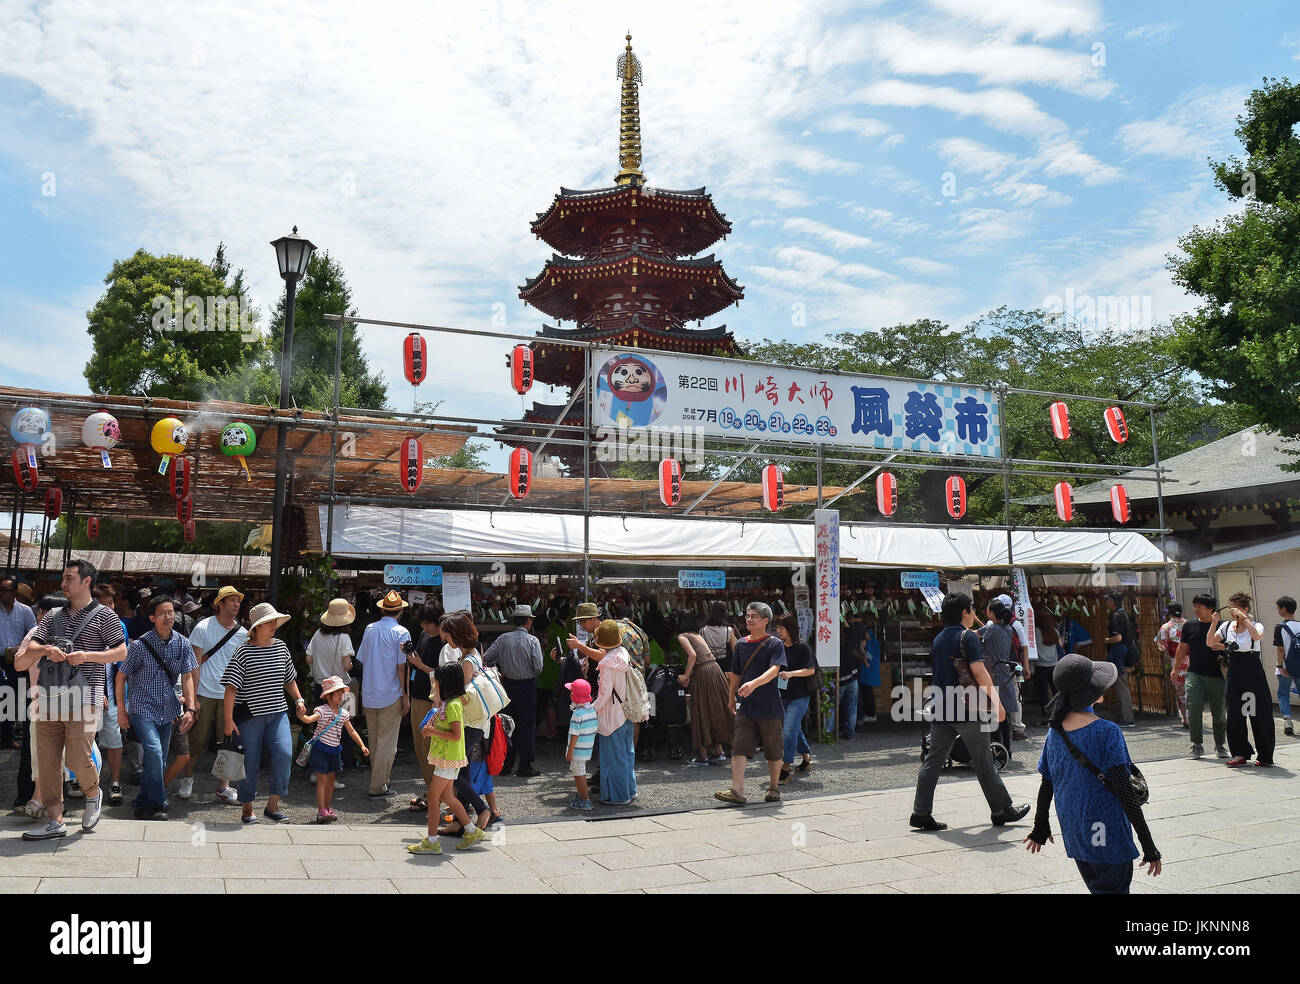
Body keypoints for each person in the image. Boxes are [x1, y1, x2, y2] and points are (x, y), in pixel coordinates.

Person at [1023, 654, 1161, 894]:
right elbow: (1124, 789)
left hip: (1076, 832)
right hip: (1108, 831)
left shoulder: (1054, 732)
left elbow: (1047, 783)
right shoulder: (1106, 731)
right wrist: (1148, 846)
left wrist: (1040, 826)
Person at [21, 559, 125, 841]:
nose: (63, 583)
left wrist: (87, 656)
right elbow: (31, 645)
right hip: (49, 695)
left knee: (79, 758)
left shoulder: (105, 616)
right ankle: (56, 820)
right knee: (49, 761)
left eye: (69, 578)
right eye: (63, 578)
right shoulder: (54, 614)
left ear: (86, 581)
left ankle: (93, 793)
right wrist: (44, 648)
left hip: (85, 695)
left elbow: (120, 652)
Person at [911, 592, 1028, 832]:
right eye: (972, 609)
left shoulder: (939, 638)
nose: (975, 613)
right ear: (965, 612)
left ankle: (920, 812)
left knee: (933, 761)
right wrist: (997, 703)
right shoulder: (967, 638)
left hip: (941, 707)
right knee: (984, 760)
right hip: (967, 709)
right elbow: (980, 673)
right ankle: (1002, 809)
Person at [115, 594, 198, 820]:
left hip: (169, 708)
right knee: (154, 751)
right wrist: (121, 710)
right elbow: (121, 676)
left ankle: (143, 800)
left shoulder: (182, 642)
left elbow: (187, 675)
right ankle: (156, 803)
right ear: (152, 617)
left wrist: (190, 707)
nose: (168, 617)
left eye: (171, 612)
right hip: (142, 708)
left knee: (158, 759)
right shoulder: (140, 645)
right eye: (162, 613)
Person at [221, 602, 305, 824]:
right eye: (269, 622)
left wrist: (298, 699)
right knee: (249, 762)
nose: (274, 625)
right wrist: (228, 720)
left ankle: (272, 805)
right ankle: (247, 808)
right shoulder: (243, 651)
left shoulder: (281, 647)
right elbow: (231, 688)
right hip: (249, 716)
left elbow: (289, 678)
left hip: (278, 713)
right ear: (256, 627)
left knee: (284, 754)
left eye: (274, 621)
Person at [408, 661, 489, 854]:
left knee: (434, 798)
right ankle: (470, 830)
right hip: (447, 758)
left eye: (438, 683)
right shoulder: (450, 703)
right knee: (445, 796)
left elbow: (456, 735)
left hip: (448, 758)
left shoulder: (452, 705)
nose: (436, 686)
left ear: (445, 684)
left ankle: (432, 841)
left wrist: (433, 731)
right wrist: (433, 729)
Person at [715, 602, 786, 806]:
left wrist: (754, 683)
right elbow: (735, 674)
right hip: (746, 705)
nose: (749, 619)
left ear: (765, 621)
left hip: (770, 705)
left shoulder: (774, 644)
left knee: (773, 748)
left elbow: (775, 670)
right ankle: (737, 790)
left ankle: (773, 787)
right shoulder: (741, 645)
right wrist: (730, 697)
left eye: (754, 616)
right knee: (739, 746)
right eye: (747, 615)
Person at [187, 585, 247, 804]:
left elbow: (242, 666)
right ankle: (187, 778)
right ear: (219, 604)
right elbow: (194, 664)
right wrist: (192, 698)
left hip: (229, 694)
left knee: (227, 740)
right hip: (204, 691)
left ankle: (224, 786)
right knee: (197, 738)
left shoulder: (242, 632)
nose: (236, 604)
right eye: (231, 600)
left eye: (238, 600)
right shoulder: (203, 627)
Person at [437, 612, 495, 834]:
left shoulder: (468, 660)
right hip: (474, 722)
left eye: (448, 635)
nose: (446, 640)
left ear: (456, 635)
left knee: (455, 771)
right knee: (464, 770)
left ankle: (481, 809)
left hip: (470, 723)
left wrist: (444, 687)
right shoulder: (471, 655)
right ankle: (460, 823)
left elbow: (463, 696)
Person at [12, 595, 68, 819]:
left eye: (44, 611)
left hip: (70, 704)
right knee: (39, 754)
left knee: (64, 756)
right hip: (40, 703)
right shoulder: (34, 635)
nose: (39, 615)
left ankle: (51, 801)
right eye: (40, 611)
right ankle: (40, 798)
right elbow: (18, 664)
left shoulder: (74, 633)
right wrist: (42, 649)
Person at [355, 590, 411, 800]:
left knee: (377, 741)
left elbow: (362, 658)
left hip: (370, 691)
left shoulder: (370, 629)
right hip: (390, 692)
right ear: (400, 611)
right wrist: (406, 694)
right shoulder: (402, 633)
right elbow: (401, 667)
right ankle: (378, 785)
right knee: (388, 743)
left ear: (382, 609)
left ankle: (380, 782)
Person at [1210, 593, 1274, 767]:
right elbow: (1210, 642)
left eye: (1235, 608)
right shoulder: (1227, 626)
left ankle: (1265, 755)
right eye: (1230, 607)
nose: (1232, 611)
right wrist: (1214, 623)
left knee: (1256, 712)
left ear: (1245, 609)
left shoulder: (1256, 625)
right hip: (1235, 670)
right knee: (1234, 713)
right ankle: (1240, 753)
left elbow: (1257, 637)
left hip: (1252, 671)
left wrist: (1245, 619)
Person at [483, 604, 544, 777]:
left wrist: (500, 672)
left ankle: (505, 764)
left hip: (508, 686)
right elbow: (538, 667)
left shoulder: (503, 639)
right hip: (527, 686)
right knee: (526, 726)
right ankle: (525, 765)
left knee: (506, 725)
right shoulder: (533, 641)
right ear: (528, 621)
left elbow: (486, 659)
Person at [296, 675, 368, 823]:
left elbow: (352, 731)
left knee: (331, 780)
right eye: (338, 692)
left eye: (343, 692)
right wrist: (302, 717)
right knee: (322, 780)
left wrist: (362, 745)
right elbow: (311, 719)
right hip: (321, 749)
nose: (342, 695)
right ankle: (321, 810)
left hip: (335, 750)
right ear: (329, 695)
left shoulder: (344, 713)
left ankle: (328, 807)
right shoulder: (322, 710)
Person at [306, 597, 357, 786]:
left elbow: (309, 659)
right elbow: (346, 665)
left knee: (320, 729)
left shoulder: (317, 635)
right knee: (340, 732)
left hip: (321, 688)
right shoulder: (344, 638)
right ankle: (331, 772)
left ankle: (316, 770)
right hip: (341, 689)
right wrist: (350, 664)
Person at [675, 611, 734, 767]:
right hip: (715, 670)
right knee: (716, 711)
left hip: (703, 672)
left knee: (700, 711)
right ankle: (719, 751)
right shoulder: (697, 635)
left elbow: (693, 656)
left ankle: (703, 756)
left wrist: (685, 676)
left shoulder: (682, 636)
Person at [588, 619, 637, 806]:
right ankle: (630, 791)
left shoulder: (607, 664)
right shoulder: (623, 653)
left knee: (613, 759)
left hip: (611, 717)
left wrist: (591, 710)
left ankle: (618, 797)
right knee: (627, 755)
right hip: (626, 712)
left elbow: (604, 694)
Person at [1177, 594, 1229, 759]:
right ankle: (1197, 744)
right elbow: (1182, 648)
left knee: (1219, 712)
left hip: (1218, 675)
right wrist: (1175, 668)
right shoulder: (1189, 625)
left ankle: (1220, 744)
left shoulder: (1224, 626)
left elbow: (1233, 648)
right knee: (1194, 707)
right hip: (1195, 673)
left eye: (1200, 606)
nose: (1196, 610)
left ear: (1211, 608)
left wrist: (1223, 646)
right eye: (1195, 606)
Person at [407, 602, 442, 810]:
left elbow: (444, 674)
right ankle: (431, 792)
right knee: (421, 750)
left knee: (430, 750)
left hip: (432, 700)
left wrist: (419, 665)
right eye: (423, 625)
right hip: (418, 696)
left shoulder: (446, 643)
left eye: (428, 625)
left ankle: (435, 797)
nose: (425, 629)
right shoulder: (424, 635)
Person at [773, 612, 816, 781]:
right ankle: (806, 758)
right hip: (782, 695)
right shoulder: (778, 646)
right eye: (777, 627)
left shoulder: (802, 646)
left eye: (781, 628)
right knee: (793, 729)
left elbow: (811, 670)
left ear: (790, 628)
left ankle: (786, 766)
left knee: (788, 730)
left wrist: (790, 674)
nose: (778, 631)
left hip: (800, 695)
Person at [0, 576, 36, 750]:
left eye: (6, 590)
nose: (2, 594)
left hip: (17, 661)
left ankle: (9, 737)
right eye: (0, 590)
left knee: (13, 699)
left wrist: (20, 646)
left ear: (14, 593)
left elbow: (34, 635)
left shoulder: (25, 611)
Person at [980, 598, 1020, 750]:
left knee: (992, 713)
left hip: (993, 674)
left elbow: (976, 634)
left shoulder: (993, 629)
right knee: (1005, 716)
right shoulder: (1007, 628)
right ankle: (1006, 749)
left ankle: (996, 748)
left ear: (991, 612)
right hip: (1004, 673)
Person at [1102, 593, 1137, 728]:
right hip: (1123, 653)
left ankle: (1127, 719)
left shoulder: (1117, 616)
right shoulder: (1124, 614)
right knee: (1122, 685)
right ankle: (1124, 716)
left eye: (1107, 600)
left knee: (1122, 686)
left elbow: (1118, 638)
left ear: (1112, 601)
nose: (1106, 603)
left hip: (1119, 654)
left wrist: (1106, 640)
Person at [564, 678, 597, 810]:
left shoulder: (577, 714)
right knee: (580, 772)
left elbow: (574, 735)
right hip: (587, 748)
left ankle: (585, 800)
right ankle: (581, 796)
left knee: (579, 774)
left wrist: (569, 753)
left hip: (577, 750)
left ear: (573, 695)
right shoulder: (591, 711)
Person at [1157, 603, 1189, 728]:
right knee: (1191, 690)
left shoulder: (1167, 627)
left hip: (1176, 661)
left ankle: (1185, 718)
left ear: (1169, 613)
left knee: (1180, 690)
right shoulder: (1189, 624)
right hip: (1192, 660)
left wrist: (1159, 645)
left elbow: (1162, 646)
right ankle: (1191, 716)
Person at [1274, 596, 1300, 737]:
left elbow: (1280, 649)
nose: (1278, 610)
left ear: (1284, 609)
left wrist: (1280, 666)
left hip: (1285, 666)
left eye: (1278, 608)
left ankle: (1288, 720)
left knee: (1283, 694)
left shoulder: (1281, 627)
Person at [1030, 607, 1060, 726]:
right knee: (1056, 691)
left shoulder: (1035, 633)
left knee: (1042, 694)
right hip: (1054, 665)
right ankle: (1058, 714)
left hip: (1040, 666)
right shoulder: (1055, 632)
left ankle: (1046, 716)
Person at [701, 601, 738, 674]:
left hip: (709, 665)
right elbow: (735, 650)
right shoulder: (728, 630)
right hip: (726, 666)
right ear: (724, 613)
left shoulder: (702, 631)